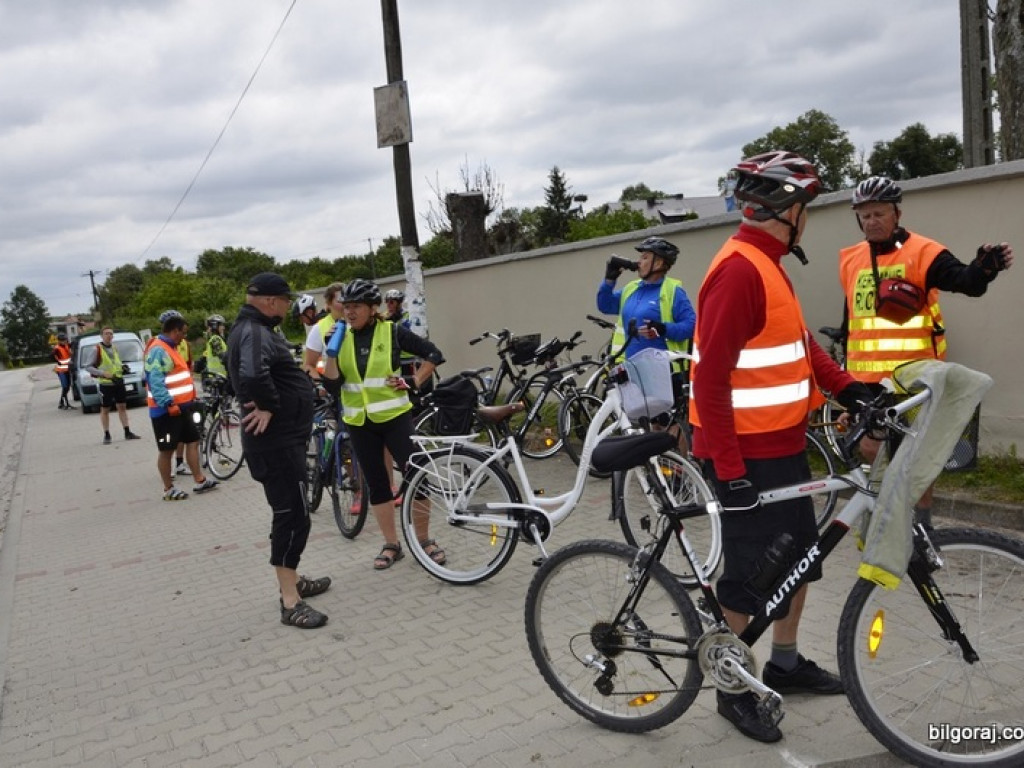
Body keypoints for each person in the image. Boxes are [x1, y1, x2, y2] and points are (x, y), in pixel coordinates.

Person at [688, 151, 873, 743]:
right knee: (748, 575)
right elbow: (709, 379)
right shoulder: (739, 270)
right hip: (745, 454)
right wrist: (732, 469)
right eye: (807, 208)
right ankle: (733, 688)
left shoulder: (768, 263)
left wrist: (852, 389)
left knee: (798, 565)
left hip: (782, 446)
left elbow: (799, 346)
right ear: (789, 210)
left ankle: (785, 664)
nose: (809, 218)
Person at [839, 175, 1014, 529]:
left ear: (897, 213)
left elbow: (964, 280)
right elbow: (852, 321)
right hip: (867, 380)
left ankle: (921, 526)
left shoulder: (923, 251)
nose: (871, 221)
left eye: (879, 213)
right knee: (872, 450)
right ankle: (882, 523)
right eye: (865, 215)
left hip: (915, 377)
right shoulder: (850, 258)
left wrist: (984, 269)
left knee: (920, 458)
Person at [227, 272, 332, 629]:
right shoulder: (255, 333)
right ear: (270, 301)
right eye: (286, 301)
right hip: (275, 443)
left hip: (281, 441)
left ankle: (294, 579)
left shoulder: (252, 330)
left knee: (290, 511)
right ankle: (290, 600)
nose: (289, 307)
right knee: (293, 515)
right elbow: (254, 375)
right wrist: (270, 405)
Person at [320, 279, 446, 570]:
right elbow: (333, 384)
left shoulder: (391, 331)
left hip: (395, 419)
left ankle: (425, 540)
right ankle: (391, 544)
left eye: (356, 307)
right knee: (376, 484)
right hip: (359, 422)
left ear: (372, 308)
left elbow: (434, 355)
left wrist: (414, 381)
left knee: (417, 477)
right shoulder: (340, 337)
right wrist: (331, 351)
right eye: (346, 307)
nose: (350, 312)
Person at [144, 313, 219, 501]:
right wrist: (168, 404)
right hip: (166, 411)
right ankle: (168, 489)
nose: (184, 337)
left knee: (193, 441)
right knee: (167, 450)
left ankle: (200, 480)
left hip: (183, 408)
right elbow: (155, 381)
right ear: (174, 331)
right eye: (183, 333)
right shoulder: (158, 350)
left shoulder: (172, 347)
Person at [597, 236, 696, 361]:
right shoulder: (631, 288)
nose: (639, 262)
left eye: (644, 258)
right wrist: (609, 281)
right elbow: (605, 306)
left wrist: (663, 329)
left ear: (658, 263)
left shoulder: (673, 291)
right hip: (631, 369)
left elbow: (691, 326)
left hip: (663, 371)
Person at [85, 327, 142, 444]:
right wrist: (102, 373)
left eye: (111, 334)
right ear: (101, 335)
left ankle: (127, 432)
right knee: (105, 409)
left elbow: (116, 363)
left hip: (118, 381)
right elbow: (88, 366)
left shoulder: (114, 348)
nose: (109, 336)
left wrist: (123, 367)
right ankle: (106, 434)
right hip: (106, 384)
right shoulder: (96, 349)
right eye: (106, 334)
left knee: (122, 407)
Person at [302, 282, 345, 380]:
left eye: (347, 299)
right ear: (329, 304)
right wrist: (321, 384)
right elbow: (308, 365)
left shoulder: (357, 323)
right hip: (333, 386)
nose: (344, 304)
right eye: (340, 300)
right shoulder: (319, 328)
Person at [201, 314, 229, 381]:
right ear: (215, 326)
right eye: (222, 325)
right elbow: (223, 358)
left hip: (218, 377)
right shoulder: (215, 340)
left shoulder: (215, 339)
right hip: (218, 378)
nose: (223, 328)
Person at [51, 332, 75, 409]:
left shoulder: (67, 345)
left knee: (67, 387)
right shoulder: (57, 348)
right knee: (65, 387)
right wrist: (57, 361)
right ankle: (66, 403)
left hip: (67, 369)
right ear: (59, 341)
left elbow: (74, 343)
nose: (65, 341)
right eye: (63, 340)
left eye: (66, 339)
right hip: (61, 370)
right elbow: (51, 355)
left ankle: (61, 403)